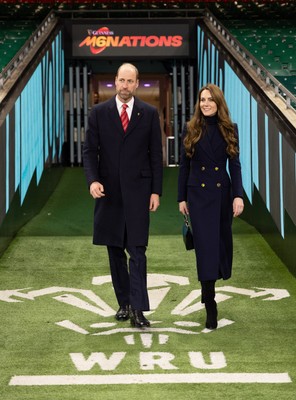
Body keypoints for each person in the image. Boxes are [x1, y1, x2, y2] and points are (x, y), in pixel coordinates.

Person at [83, 63, 163, 328]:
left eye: (130, 81)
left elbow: (156, 155)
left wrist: (155, 191)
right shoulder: (98, 113)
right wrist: (93, 180)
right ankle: (125, 303)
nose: (125, 85)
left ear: (137, 83)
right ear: (115, 82)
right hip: (109, 195)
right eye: (121, 80)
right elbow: (89, 152)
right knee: (115, 251)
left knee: (138, 251)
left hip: (140, 194)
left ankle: (139, 309)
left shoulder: (149, 113)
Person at [178, 83, 244, 330]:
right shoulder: (191, 128)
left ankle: (210, 291)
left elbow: (234, 165)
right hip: (197, 197)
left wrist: (238, 195)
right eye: (202, 99)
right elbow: (184, 166)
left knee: (220, 247)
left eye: (210, 99)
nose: (205, 103)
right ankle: (210, 303)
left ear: (218, 102)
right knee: (205, 249)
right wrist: (181, 198)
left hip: (222, 196)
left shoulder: (230, 128)